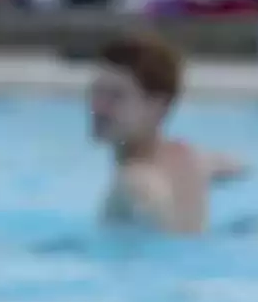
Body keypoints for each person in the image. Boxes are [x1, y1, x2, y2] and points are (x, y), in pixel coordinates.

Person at [91, 31, 246, 235]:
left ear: (158, 106)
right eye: (96, 92)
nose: (99, 108)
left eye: (116, 97)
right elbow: (234, 166)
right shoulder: (192, 157)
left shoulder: (133, 187)